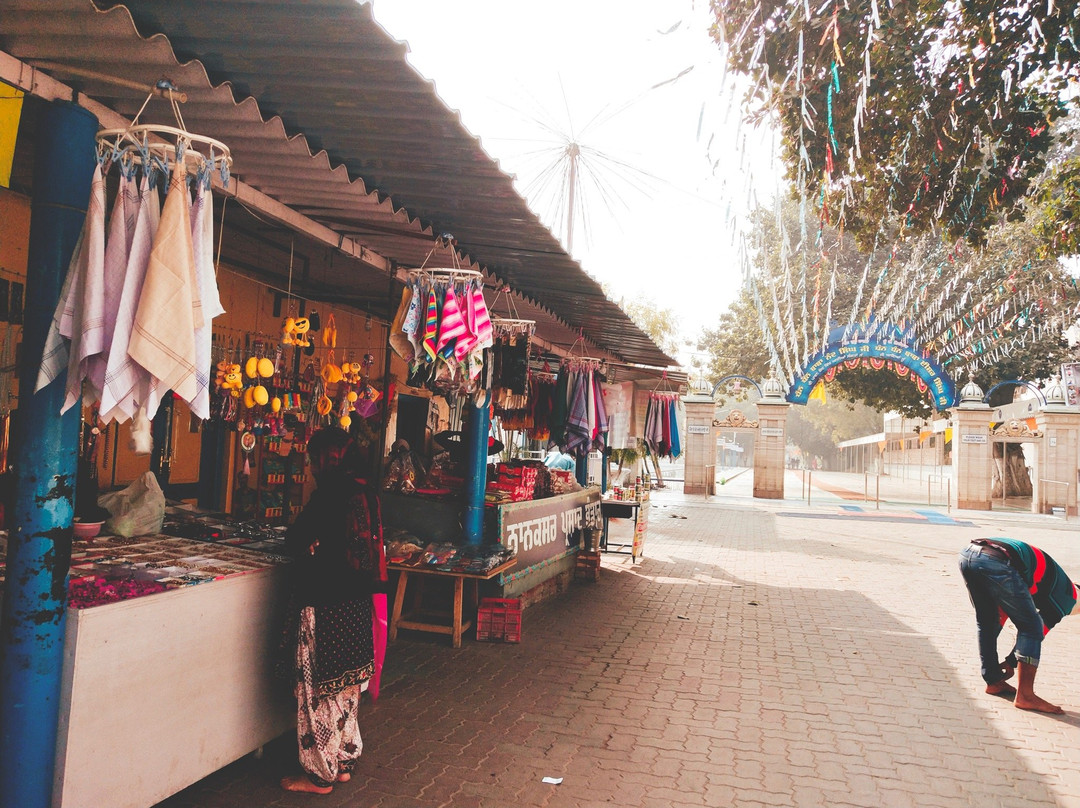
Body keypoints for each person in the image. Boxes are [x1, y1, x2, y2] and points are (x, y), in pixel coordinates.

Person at [281, 428, 388, 794]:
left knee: (318, 692)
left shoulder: (329, 494)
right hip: (357, 607)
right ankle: (343, 762)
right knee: (345, 690)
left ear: (327, 459)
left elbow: (295, 538)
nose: (311, 467)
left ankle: (319, 776)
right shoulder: (365, 490)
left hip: (326, 603)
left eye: (313, 459)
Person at [958, 538, 1078, 714]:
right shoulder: (1069, 597)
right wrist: (1011, 661)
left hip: (970, 554)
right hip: (996, 561)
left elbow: (1003, 614)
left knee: (988, 620)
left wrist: (1010, 661)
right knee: (1032, 627)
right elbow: (1038, 630)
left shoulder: (1057, 583)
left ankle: (993, 681)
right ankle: (1026, 696)